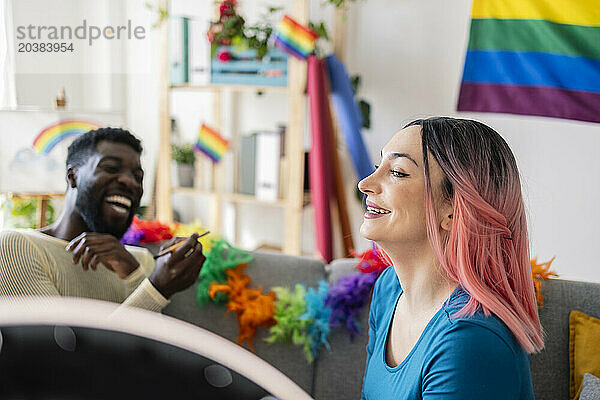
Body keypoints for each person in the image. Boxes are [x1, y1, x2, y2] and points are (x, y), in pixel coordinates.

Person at [359, 117, 543, 399]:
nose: (365, 184)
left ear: (453, 210)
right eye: (377, 166)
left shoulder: (468, 339)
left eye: (397, 172)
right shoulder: (388, 289)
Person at [0, 127, 204, 312]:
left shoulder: (140, 260)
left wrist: (137, 275)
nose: (129, 182)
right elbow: (58, 353)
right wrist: (156, 288)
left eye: (138, 177)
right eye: (111, 168)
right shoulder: (17, 246)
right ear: (73, 176)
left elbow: (153, 350)